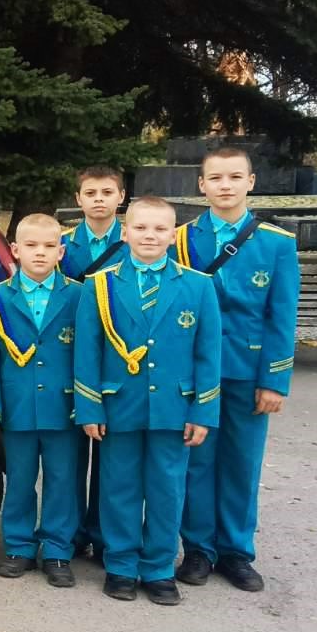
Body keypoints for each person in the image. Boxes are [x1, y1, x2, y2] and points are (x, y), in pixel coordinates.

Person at [74, 196, 220, 605]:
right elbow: (88, 351)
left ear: (172, 236)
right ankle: (120, 566)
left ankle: (158, 569)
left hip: (175, 409)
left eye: (159, 229)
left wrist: (203, 411)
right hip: (119, 406)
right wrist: (89, 406)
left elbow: (208, 355)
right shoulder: (99, 286)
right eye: (140, 228)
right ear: (125, 233)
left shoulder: (198, 286)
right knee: (118, 488)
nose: (149, 236)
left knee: (167, 490)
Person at [173, 147, 301, 592]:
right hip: (197, 371)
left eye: (234, 176)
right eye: (215, 177)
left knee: (242, 463)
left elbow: (281, 317)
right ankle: (198, 551)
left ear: (251, 182)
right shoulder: (181, 240)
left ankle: (236, 553)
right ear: (201, 185)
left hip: (249, 370)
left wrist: (274, 380)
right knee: (196, 461)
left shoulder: (277, 243)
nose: (224, 185)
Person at [0, 213, 82, 588]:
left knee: (62, 481)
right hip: (17, 408)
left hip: (64, 408)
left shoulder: (79, 295)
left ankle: (56, 551)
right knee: (19, 481)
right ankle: (19, 547)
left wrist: (85, 404)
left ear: (61, 252)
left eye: (49, 246)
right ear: (16, 250)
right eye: (32, 246)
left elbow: (87, 354)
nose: (40, 253)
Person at [59, 165, 128, 559]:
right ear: (78, 199)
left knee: (112, 458)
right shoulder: (65, 246)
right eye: (91, 192)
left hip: (121, 360)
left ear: (121, 197)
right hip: (72, 355)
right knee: (70, 455)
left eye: (107, 191)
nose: (99, 198)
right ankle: (70, 533)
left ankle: (103, 535)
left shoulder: (135, 241)